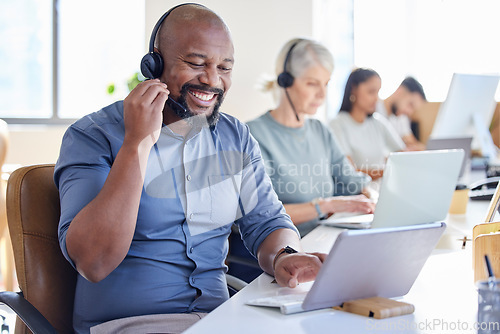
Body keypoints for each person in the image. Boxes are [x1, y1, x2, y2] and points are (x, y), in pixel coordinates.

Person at [54, 4, 325, 333]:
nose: (212, 80)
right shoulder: (94, 136)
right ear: (154, 63)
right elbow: (93, 261)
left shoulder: (234, 136)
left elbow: (267, 221)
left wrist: (284, 255)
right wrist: (137, 144)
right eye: (197, 63)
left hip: (219, 319)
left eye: (224, 67)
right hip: (129, 324)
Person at [246, 38, 375, 237]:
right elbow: (259, 212)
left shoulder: (319, 131)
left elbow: (353, 182)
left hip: (324, 238)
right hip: (283, 251)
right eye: (312, 84)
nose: (322, 94)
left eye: (326, 84)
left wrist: (370, 197)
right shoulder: (253, 135)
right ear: (285, 81)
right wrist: (325, 205)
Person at [330, 68, 406, 180]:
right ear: (354, 89)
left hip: (383, 186)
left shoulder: (378, 122)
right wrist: (385, 172)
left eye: (378, 92)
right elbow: (349, 171)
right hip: (359, 191)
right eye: (371, 92)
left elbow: (402, 153)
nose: (376, 99)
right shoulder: (337, 124)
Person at [376, 76, 427, 150]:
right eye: (410, 104)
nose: (409, 112)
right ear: (400, 91)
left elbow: (412, 143)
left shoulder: (401, 118)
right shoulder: (373, 110)